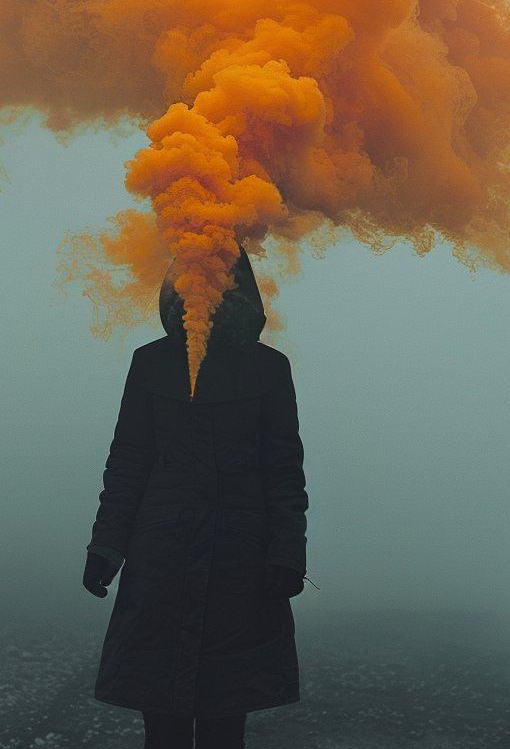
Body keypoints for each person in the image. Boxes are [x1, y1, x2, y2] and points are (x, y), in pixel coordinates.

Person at [83, 248, 309, 749]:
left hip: (240, 560)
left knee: (225, 719)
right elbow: (128, 462)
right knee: (161, 717)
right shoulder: (151, 364)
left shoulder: (269, 369)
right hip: (162, 555)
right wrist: (106, 546)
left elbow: (284, 469)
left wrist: (288, 551)